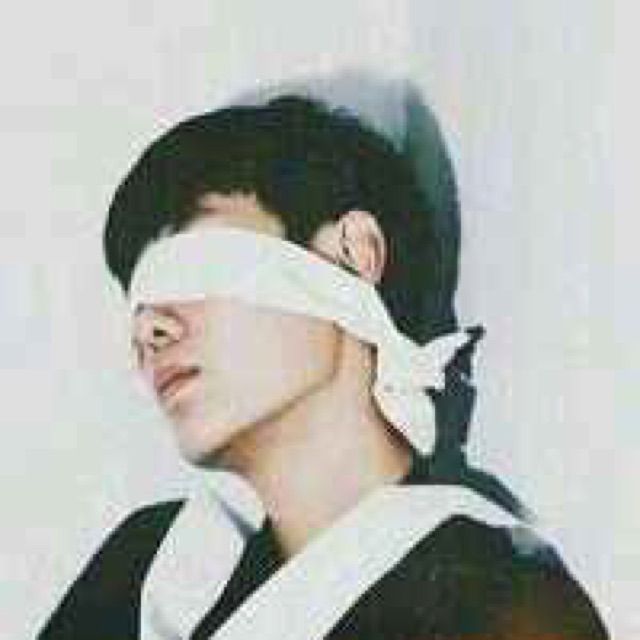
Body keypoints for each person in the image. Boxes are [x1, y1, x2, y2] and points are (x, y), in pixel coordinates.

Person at [39, 94, 609, 639]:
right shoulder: (143, 571)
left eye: (191, 268)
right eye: (138, 299)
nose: (148, 329)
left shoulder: (499, 608)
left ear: (354, 255)